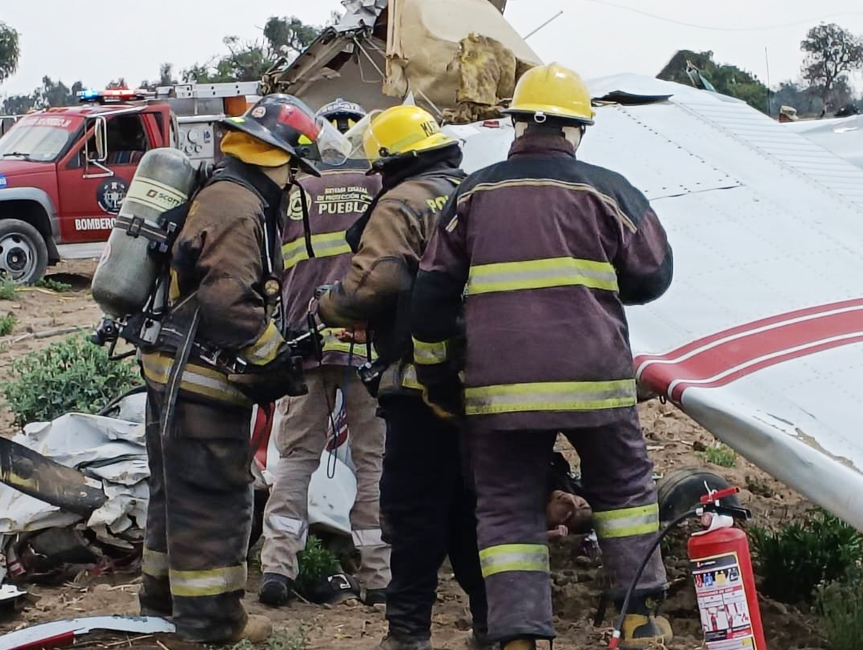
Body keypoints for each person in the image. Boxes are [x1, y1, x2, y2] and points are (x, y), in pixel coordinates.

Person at [410, 62, 675, 650]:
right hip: (595, 381)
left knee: (507, 509)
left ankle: (519, 638)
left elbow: (429, 297)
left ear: (517, 124)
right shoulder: (609, 190)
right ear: (576, 129)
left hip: (499, 389)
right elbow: (655, 275)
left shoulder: (472, 193)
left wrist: (437, 375)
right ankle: (640, 620)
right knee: (624, 490)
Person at [138, 94, 336, 645]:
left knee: (174, 496)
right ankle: (212, 624)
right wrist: (275, 355)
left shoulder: (223, 191)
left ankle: (161, 607)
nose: (294, 182)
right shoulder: (239, 207)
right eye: (295, 170)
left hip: (173, 368)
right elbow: (227, 302)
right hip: (201, 378)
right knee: (214, 501)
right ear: (281, 160)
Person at [316, 105, 489, 650]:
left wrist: (329, 305)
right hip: (487, 382)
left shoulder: (402, 201)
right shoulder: (473, 190)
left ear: (389, 160)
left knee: (412, 513)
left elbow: (375, 283)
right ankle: (494, 627)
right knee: (471, 511)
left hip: (421, 388)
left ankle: (407, 634)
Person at [258, 98, 391, 607]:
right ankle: (378, 576)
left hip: (303, 343)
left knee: (295, 460)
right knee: (373, 462)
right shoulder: (378, 186)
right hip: (364, 345)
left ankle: (277, 568)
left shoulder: (294, 190)